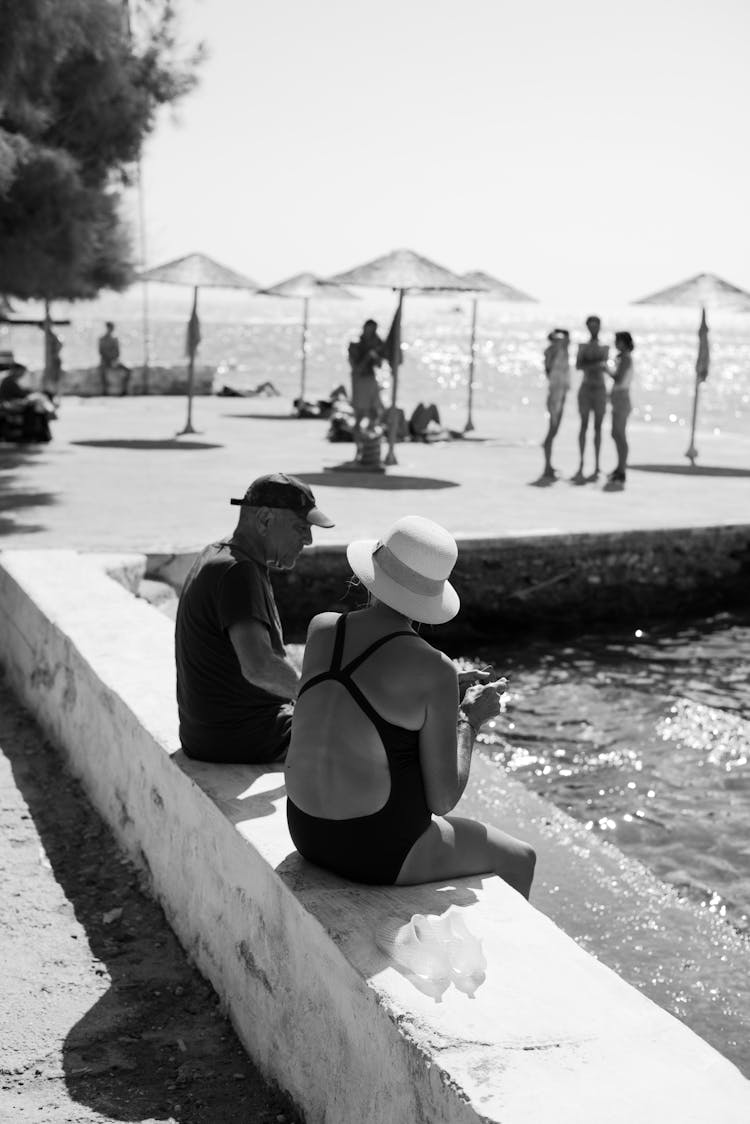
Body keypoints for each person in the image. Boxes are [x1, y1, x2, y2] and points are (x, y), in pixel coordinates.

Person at [284, 515, 536, 895]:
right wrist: (469, 719)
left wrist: (443, 689)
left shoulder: (322, 629)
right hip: (377, 852)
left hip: (305, 830)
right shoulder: (432, 666)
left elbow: (355, 698)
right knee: (521, 858)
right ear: (430, 597)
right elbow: (443, 799)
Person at [175, 473, 335, 764]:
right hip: (242, 737)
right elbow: (259, 667)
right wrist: (317, 697)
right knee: (362, 727)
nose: (309, 540)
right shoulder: (239, 572)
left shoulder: (216, 553)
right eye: (301, 527)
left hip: (206, 734)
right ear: (264, 519)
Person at [574, 316, 609, 480]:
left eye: (596, 326)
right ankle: (581, 463)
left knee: (598, 428)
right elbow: (578, 365)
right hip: (586, 388)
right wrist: (596, 365)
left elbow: (606, 367)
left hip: (600, 389)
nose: (593, 328)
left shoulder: (605, 347)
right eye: (591, 326)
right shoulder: (583, 346)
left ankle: (596, 465)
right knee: (584, 426)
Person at [0, 362, 56, 443]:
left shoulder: (11, 380)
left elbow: (21, 393)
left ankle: (37, 432)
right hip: (8, 405)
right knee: (32, 408)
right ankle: (32, 433)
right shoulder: (8, 381)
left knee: (35, 405)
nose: (23, 374)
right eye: (22, 371)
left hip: (11, 404)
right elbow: (20, 394)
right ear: (15, 370)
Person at [541, 329, 570, 479]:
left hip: (560, 393)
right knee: (552, 430)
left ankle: (548, 465)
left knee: (554, 430)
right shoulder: (554, 350)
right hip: (555, 395)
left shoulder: (561, 352)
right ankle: (547, 466)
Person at [607, 331, 635, 485]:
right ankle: (619, 467)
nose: (615, 343)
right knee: (616, 434)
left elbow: (618, 378)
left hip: (622, 399)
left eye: (617, 341)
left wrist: (605, 368)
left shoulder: (625, 358)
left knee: (619, 435)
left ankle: (622, 469)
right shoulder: (623, 358)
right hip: (619, 398)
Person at [347, 319, 385, 428]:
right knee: (360, 414)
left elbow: (379, 364)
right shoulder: (356, 344)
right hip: (360, 379)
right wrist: (368, 356)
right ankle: (360, 442)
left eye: (373, 330)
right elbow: (357, 368)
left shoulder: (376, 343)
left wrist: (375, 355)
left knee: (374, 412)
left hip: (370, 378)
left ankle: (369, 439)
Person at [97, 321, 130, 396]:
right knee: (102, 372)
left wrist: (114, 360)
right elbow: (101, 351)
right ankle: (104, 391)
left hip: (114, 360)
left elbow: (118, 352)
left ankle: (125, 389)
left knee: (127, 370)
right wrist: (109, 359)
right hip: (105, 361)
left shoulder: (115, 339)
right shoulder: (102, 339)